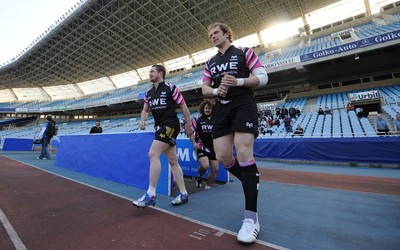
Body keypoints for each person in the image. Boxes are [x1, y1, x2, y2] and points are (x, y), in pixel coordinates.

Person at [202, 22, 268, 243]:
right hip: (221, 108)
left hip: (243, 105)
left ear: (227, 33)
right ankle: (252, 178)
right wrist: (214, 90)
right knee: (221, 156)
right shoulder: (210, 62)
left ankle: (251, 219)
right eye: (210, 35)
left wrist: (239, 81)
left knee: (243, 153)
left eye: (216, 33)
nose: (213, 36)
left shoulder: (244, 52)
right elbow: (204, 88)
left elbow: (263, 77)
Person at [132, 65, 193, 208]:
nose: (150, 74)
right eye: (149, 72)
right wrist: (142, 120)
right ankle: (184, 193)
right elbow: (145, 110)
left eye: (152, 71)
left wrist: (189, 124)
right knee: (173, 161)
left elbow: (183, 106)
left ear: (160, 73)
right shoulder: (148, 93)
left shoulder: (171, 88)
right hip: (159, 127)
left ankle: (151, 195)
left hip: (171, 125)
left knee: (153, 154)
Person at [189, 100, 219, 190]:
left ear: (212, 109)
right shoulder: (197, 119)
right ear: (203, 109)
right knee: (205, 166)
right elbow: (190, 133)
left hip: (214, 148)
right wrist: (194, 143)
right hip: (201, 146)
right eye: (206, 108)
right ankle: (200, 176)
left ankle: (208, 187)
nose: (207, 110)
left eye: (209, 108)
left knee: (215, 169)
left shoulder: (216, 119)